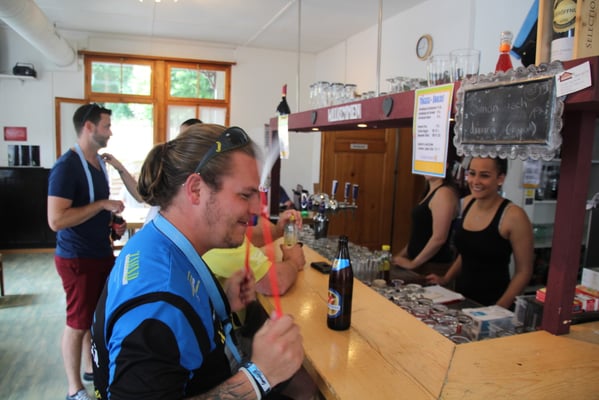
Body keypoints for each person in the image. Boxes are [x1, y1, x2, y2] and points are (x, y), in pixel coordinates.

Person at [91, 124, 304, 399]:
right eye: (244, 195)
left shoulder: (158, 242)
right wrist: (258, 378)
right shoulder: (158, 305)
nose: (254, 209)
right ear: (195, 189)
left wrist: (223, 302)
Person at [47, 103, 134, 400]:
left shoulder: (98, 163)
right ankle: (74, 389)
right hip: (77, 258)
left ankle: (89, 368)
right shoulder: (66, 167)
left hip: (99, 253)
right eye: (106, 126)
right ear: (89, 127)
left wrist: (111, 222)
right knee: (77, 322)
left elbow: (91, 210)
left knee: (92, 317)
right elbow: (56, 220)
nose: (110, 132)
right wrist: (101, 206)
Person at [426, 157, 534, 309]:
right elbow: (468, 252)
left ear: (500, 179)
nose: (475, 181)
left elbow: (524, 271)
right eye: (472, 173)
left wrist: (499, 308)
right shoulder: (466, 203)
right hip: (462, 300)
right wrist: (446, 278)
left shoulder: (514, 215)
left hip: (495, 303)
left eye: (484, 175)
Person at [392, 174, 459, 280]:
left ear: (445, 166)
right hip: (420, 265)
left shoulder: (444, 192)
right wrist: (400, 257)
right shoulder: (429, 191)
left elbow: (439, 238)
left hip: (432, 267)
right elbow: (420, 235)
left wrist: (413, 263)